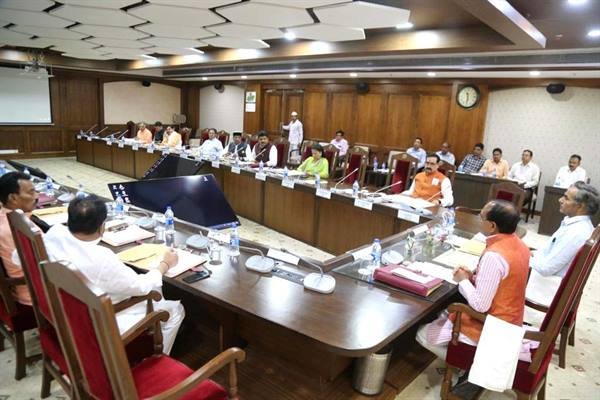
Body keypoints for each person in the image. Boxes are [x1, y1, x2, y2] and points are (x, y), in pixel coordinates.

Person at [43, 195, 184, 355]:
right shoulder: (101, 258)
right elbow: (141, 287)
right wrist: (165, 264)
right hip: (104, 318)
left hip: (67, 310)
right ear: (102, 227)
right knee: (175, 309)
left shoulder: (54, 233)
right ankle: (157, 359)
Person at [416, 200, 529, 362]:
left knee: (422, 334)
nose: (478, 219)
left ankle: (465, 366)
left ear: (492, 226)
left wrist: (463, 280)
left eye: (481, 217)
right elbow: (503, 282)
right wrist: (472, 277)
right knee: (444, 313)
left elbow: (480, 305)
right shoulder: (520, 244)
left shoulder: (494, 256)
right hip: (511, 319)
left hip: (494, 327)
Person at [526, 182, 598, 309]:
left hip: (546, 287)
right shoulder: (574, 224)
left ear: (580, 206)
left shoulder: (577, 232)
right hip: (546, 277)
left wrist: (522, 256)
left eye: (566, 198)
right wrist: (531, 253)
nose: (560, 200)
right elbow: (549, 251)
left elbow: (546, 268)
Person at [0, 172, 39, 305]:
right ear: (13, 198)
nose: (37, 196)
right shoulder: (16, 230)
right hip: (34, 293)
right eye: (31, 192)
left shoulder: (9, 217)